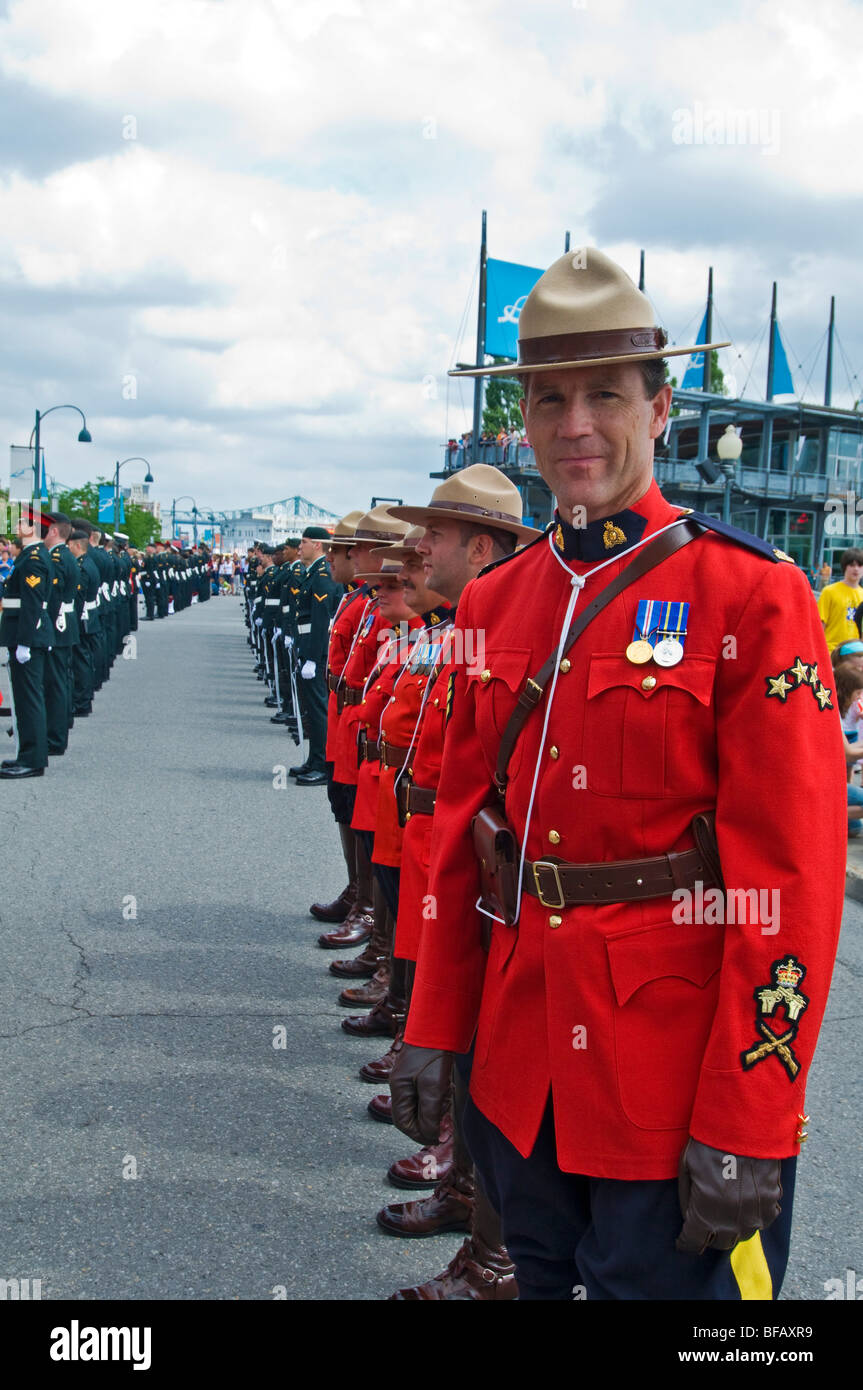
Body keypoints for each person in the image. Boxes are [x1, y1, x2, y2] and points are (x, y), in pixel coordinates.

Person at [391, 246, 846, 1300]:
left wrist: (748, 1118)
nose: (575, 425)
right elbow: (462, 828)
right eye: (549, 399)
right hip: (520, 1072)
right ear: (520, 415)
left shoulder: (749, 595)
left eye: (605, 394)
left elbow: (786, 888)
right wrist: (431, 1027)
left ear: (660, 406)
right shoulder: (496, 603)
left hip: (670, 1083)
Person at [0, 504, 52, 777]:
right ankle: (27, 754)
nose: (17, 525)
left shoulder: (33, 559)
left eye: (22, 522)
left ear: (33, 527)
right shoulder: (30, 556)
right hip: (24, 633)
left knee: (29, 699)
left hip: (28, 636)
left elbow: (32, 604)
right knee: (24, 698)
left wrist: (25, 642)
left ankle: (32, 759)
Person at [293, 526, 340, 785]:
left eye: (304, 542)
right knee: (311, 707)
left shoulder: (322, 574)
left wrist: (312, 656)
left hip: (317, 651)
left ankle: (321, 764)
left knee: (318, 708)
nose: (300, 548)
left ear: (318, 545)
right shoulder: (314, 571)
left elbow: (321, 619)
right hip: (308, 646)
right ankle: (313, 759)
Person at [817, 547, 863, 652]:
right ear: (845, 567)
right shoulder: (829, 591)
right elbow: (820, 625)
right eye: (852, 565)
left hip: (857, 654)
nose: (856, 569)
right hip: (832, 651)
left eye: (859, 565)